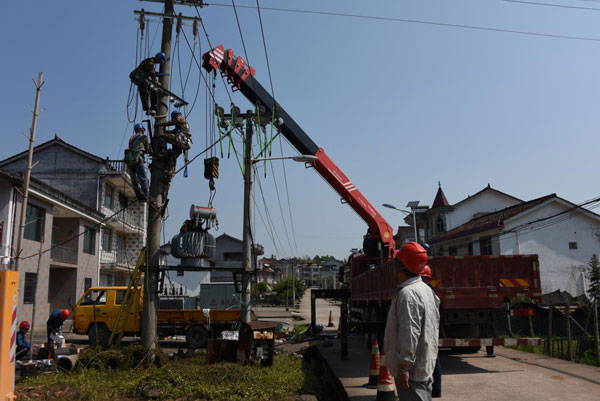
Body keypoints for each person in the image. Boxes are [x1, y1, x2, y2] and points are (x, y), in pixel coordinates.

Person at [384, 242, 440, 401]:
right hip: (422, 365)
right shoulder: (426, 290)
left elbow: (410, 332)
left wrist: (403, 368)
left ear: (401, 266)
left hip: (412, 372)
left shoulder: (408, 294)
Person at [155, 110, 192, 198]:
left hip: (181, 141)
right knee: (172, 158)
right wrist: (165, 131)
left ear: (175, 115)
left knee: (162, 137)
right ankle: (169, 172)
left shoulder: (180, 119)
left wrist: (160, 125)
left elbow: (171, 123)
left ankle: (162, 152)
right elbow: (173, 132)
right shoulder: (179, 127)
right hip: (180, 144)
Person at [420, 265, 442, 399]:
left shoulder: (422, 291)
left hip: (426, 329)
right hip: (432, 328)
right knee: (434, 357)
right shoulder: (431, 291)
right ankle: (437, 389)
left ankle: (428, 388)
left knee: (426, 359)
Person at [124, 123, 150, 201]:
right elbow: (148, 149)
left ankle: (138, 195)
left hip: (130, 161)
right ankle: (146, 195)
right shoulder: (144, 137)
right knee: (142, 178)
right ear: (142, 130)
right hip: (138, 159)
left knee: (134, 180)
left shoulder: (131, 138)